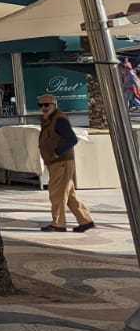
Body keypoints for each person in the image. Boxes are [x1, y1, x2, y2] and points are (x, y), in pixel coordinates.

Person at [38, 95, 95, 233]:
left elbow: (72, 139)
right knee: (68, 194)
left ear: (54, 105)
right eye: (41, 105)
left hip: (61, 162)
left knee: (56, 193)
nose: (44, 108)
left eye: (47, 105)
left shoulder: (59, 119)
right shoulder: (48, 120)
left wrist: (57, 152)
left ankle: (58, 223)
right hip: (55, 162)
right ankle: (85, 220)